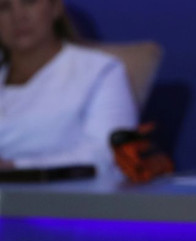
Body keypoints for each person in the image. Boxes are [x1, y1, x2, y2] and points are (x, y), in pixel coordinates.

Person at [0, 0, 137, 179]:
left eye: (29, 2)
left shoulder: (100, 71)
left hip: (68, 200)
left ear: (55, 7)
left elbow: (107, 154)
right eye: (4, 8)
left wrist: (15, 166)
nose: (18, 17)